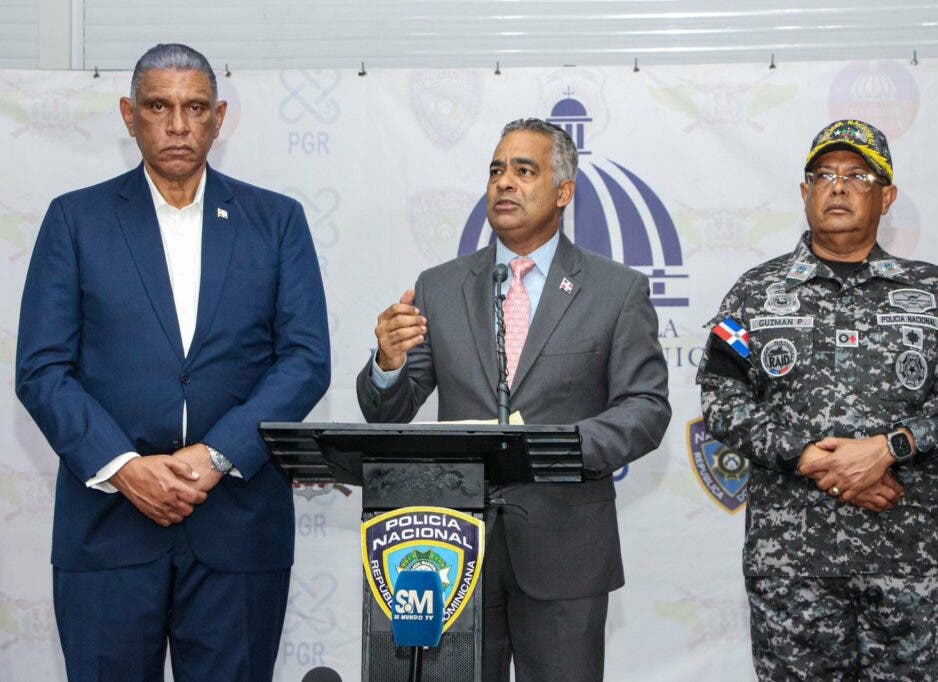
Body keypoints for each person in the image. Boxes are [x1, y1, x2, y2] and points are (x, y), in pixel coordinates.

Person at [15, 43, 330, 681]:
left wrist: (215, 455)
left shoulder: (276, 221)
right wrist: (125, 467)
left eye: (194, 108)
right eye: (159, 106)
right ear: (129, 115)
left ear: (220, 118)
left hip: (238, 529)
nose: (178, 125)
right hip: (108, 527)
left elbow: (304, 360)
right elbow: (43, 368)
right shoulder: (76, 220)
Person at [357, 118, 670, 681]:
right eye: (497, 170)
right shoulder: (439, 286)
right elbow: (390, 412)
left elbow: (646, 408)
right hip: (450, 548)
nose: (505, 182)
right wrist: (387, 363)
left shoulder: (616, 289)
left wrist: (558, 447)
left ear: (563, 192)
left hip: (565, 550)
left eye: (525, 170)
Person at [697, 119, 938, 681]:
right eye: (823, 174)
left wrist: (890, 448)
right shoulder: (754, 293)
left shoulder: (935, 290)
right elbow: (721, 398)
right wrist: (812, 460)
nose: (837, 186)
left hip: (910, 563)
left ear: (886, 197)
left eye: (857, 175)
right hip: (793, 569)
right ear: (804, 192)